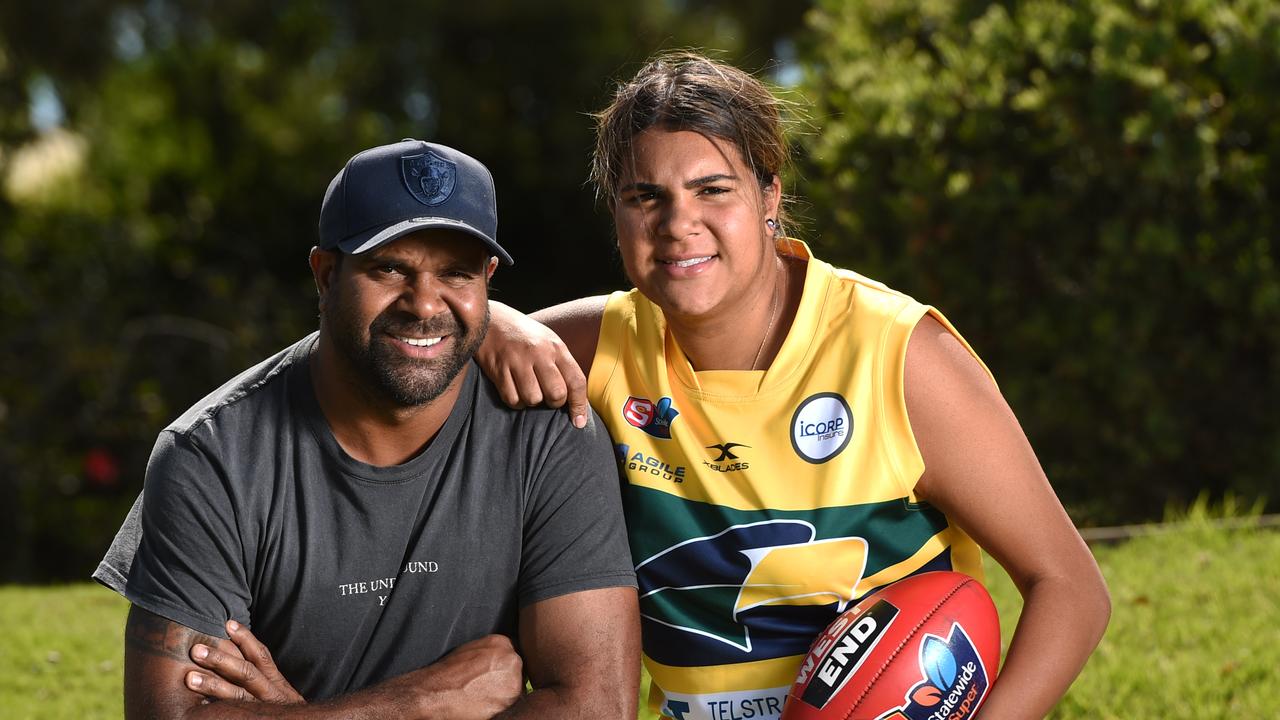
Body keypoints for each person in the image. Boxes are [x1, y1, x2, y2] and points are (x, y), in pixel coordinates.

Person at [474, 51, 1111, 720]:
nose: (677, 223)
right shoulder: (596, 347)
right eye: (645, 197)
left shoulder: (899, 356)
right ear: (618, 214)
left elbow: (1069, 587)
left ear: (769, 196)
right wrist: (495, 320)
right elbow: (423, 343)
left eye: (713, 189)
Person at [92, 139, 640, 719]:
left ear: (488, 279)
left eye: (455, 272)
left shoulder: (551, 433)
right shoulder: (212, 456)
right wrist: (419, 704)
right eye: (389, 268)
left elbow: (597, 707)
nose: (424, 304)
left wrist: (297, 714)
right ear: (326, 275)